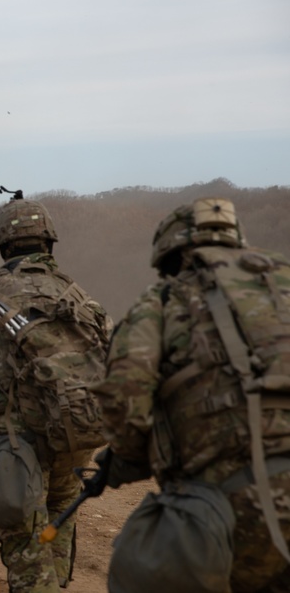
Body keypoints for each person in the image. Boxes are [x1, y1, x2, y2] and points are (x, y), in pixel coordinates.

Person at [93, 197, 290, 593]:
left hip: (228, 507)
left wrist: (126, 461)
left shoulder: (163, 301)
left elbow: (124, 394)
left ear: (170, 253)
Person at [0, 190, 112, 592]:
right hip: (75, 433)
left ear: (3, 247)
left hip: (13, 442)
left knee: (24, 546)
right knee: (60, 515)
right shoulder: (84, 300)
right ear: (49, 242)